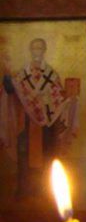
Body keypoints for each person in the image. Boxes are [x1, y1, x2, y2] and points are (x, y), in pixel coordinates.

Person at [1, 38, 78, 198]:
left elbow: (59, 97)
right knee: (24, 154)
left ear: (44, 51)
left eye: (40, 48)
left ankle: (45, 190)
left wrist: (69, 99)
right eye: (34, 48)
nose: (37, 52)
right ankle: (24, 189)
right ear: (30, 51)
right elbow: (14, 94)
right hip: (25, 123)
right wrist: (9, 86)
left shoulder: (51, 75)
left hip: (46, 124)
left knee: (47, 154)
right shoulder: (22, 75)